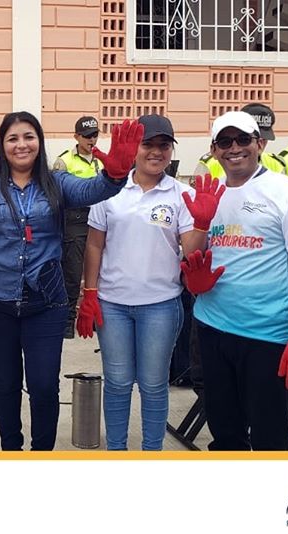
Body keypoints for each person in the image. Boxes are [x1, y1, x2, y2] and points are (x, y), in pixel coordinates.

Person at [0, 112, 143, 451]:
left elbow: (91, 190)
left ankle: (42, 455)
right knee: (5, 385)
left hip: (46, 303)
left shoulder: (56, 181)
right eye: (12, 138)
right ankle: (11, 451)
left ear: (39, 142)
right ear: (2, 144)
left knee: (43, 387)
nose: (21, 145)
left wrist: (114, 175)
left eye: (29, 136)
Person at [75, 114, 216, 450]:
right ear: (134, 148)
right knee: (118, 383)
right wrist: (89, 292)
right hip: (113, 305)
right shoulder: (109, 190)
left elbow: (191, 252)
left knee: (153, 385)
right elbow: (94, 245)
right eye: (148, 144)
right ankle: (117, 451)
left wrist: (201, 223)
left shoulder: (182, 194)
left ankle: (152, 453)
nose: (156, 152)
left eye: (164, 145)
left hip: (160, 305)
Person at [183, 111, 288, 451]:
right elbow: (191, 254)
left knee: (269, 438)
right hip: (212, 329)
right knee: (224, 433)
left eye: (243, 139)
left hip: (266, 335)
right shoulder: (210, 193)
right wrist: (200, 228)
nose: (234, 148)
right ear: (214, 150)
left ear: (259, 144)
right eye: (225, 142)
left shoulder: (285, 191)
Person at [52, 116, 104, 338]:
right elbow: (56, 194)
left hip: (100, 217)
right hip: (74, 218)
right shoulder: (64, 161)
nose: (92, 140)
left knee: (101, 270)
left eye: (95, 135)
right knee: (72, 273)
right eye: (87, 136)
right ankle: (67, 321)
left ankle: (95, 317)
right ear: (76, 137)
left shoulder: (101, 161)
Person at [194, 103, 286, 180]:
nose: (236, 149)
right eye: (244, 139)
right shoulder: (210, 164)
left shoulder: (276, 164)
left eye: (264, 138)